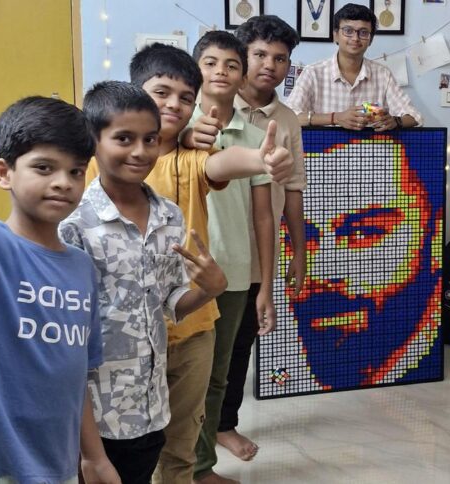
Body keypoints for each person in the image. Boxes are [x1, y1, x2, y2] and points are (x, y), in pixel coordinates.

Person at [83, 43, 293, 484]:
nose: (174, 105)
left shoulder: (189, 159)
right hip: (122, 340)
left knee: (181, 444)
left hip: (193, 322)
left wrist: (260, 158)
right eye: (161, 93)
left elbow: (222, 163)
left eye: (185, 97)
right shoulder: (94, 170)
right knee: (123, 449)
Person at [61, 81, 230, 483]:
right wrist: (88, 450)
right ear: (93, 140)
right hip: (94, 422)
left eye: (149, 139)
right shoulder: (74, 225)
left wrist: (209, 289)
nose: (139, 151)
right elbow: (68, 340)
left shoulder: (168, 216)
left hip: (151, 410)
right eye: (124, 139)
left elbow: (170, 302)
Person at [0, 96, 118, 484]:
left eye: (76, 171)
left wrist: (95, 458)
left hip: (58, 465)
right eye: (43, 167)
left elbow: (77, 377)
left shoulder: (81, 267)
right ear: (4, 173)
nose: (63, 182)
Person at [284, 130, 443, 391]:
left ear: (433, 236)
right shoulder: (284, 366)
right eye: (297, 237)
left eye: (364, 233)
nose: (324, 271)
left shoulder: (427, 367)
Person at [217, 14, 308, 461]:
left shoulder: (287, 120)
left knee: (241, 341)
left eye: (280, 58)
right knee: (203, 344)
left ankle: (224, 424)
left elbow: (292, 192)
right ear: (242, 55)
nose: (270, 65)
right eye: (259, 54)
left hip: (259, 249)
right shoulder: (214, 104)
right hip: (216, 244)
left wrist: (300, 253)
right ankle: (191, 428)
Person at [186, 30, 275, 484]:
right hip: (183, 272)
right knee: (180, 375)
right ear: (195, 70)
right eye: (210, 62)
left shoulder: (257, 136)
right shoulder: (174, 129)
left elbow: (263, 218)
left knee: (217, 376)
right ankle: (173, 466)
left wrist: (266, 286)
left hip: (235, 273)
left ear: (242, 77)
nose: (221, 71)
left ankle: (201, 468)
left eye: (231, 64)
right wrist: (186, 137)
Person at [287, 3, 423, 131]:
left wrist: (396, 121)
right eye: (348, 31)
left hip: (369, 148)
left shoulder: (383, 75)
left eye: (363, 32)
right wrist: (335, 118)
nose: (355, 38)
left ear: (371, 39)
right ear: (335, 35)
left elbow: (415, 117)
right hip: (324, 148)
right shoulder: (313, 73)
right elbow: (289, 116)